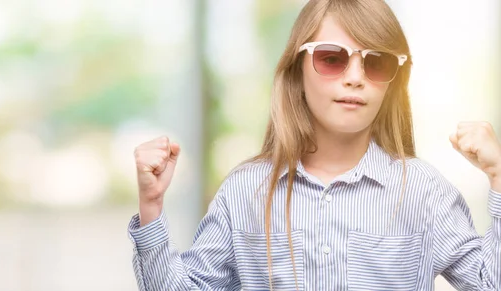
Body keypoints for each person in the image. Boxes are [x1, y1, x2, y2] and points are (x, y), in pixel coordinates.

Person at [127, 0, 501, 290]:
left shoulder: (424, 192)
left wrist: (499, 175)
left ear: (393, 82)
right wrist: (152, 207)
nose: (355, 78)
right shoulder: (245, 192)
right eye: (332, 58)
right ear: (297, 69)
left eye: (377, 63)